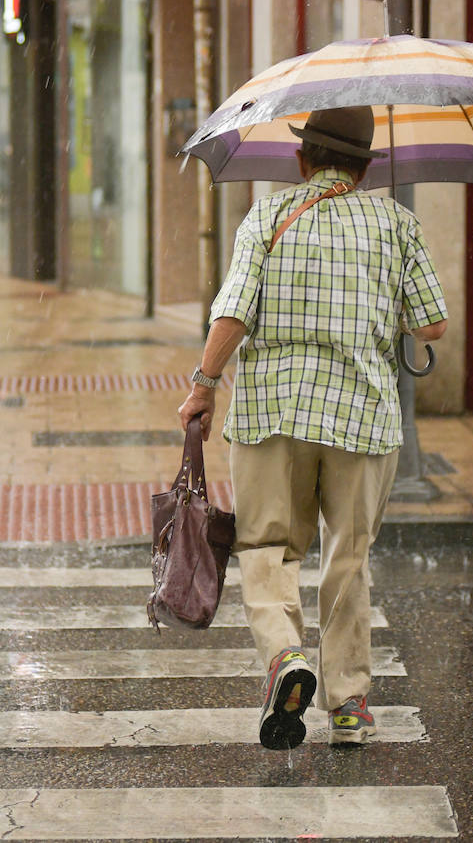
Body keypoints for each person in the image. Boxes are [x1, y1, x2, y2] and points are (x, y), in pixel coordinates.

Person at [177, 105, 448, 749]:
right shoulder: (396, 224)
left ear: (303, 160)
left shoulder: (269, 216)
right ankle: (349, 706)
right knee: (348, 557)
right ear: (365, 166)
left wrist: (204, 386)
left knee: (268, 544)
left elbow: (234, 312)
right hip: (362, 414)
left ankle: (284, 655)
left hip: (274, 411)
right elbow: (432, 324)